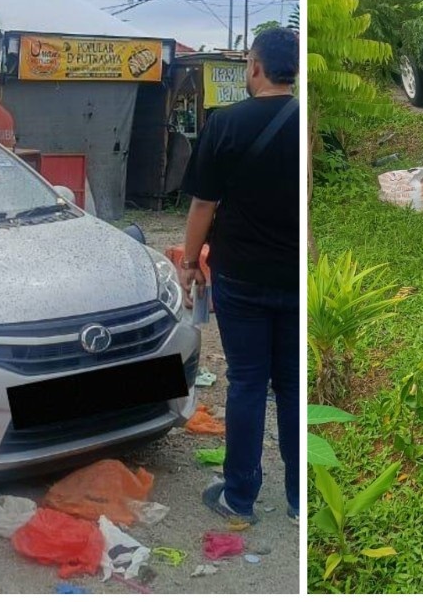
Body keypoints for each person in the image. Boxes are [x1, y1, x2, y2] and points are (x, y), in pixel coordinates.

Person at [178, 26, 299, 527]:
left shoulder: (225, 124)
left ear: (255, 67)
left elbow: (203, 204)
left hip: (242, 277)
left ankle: (241, 496)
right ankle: (299, 502)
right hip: (294, 277)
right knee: (292, 386)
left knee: (247, 382)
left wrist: (189, 263)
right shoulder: (304, 122)